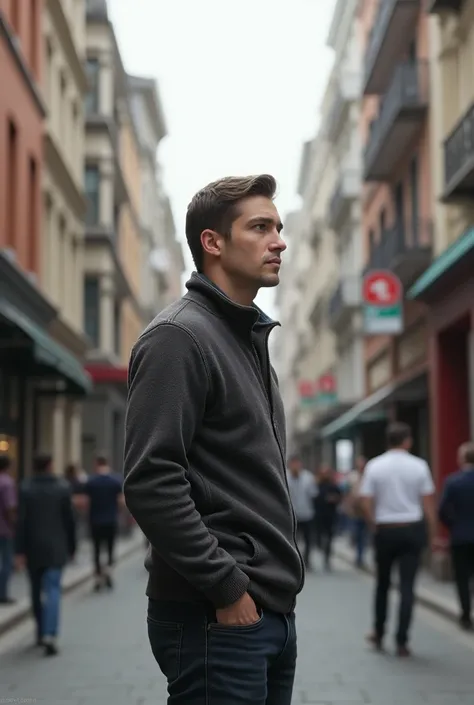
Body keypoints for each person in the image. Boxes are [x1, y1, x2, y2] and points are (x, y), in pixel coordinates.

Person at [124, 174, 303, 705]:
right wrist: (227, 588)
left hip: (266, 612)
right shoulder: (179, 337)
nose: (279, 241)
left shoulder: (246, 338)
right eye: (260, 227)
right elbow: (151, 479)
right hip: (216, 616)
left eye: (279, 227)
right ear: (213, 242)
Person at [359, 422, 436, 657]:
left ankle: (379, 632)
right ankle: (402, 641)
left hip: (386, 530)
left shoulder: (375, 466)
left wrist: (374, 523)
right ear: (407, 441)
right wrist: (431, 534)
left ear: (387, 441)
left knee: (382, 584)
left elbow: (365, 500)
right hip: (411, 529)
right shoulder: (419, 466)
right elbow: (428, 504)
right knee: (407, 587)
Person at [15, 454, 76, 656]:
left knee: (35, 591)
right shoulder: (62, 487)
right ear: (50, 465)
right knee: (53, 590)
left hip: (32, 549)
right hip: (56, 548)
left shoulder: (25, 488)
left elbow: (20, 522)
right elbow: (70, 521)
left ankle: (40, 631)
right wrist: (72, 547)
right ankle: (50, 634)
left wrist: (19, 551)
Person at [438, 441, 474, 631]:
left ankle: (466, 614)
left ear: (462, 459)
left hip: (460, 537)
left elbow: (442, 510)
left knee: (462, 577)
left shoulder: (453, 481)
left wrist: (453, 525)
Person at [82, 455, 124, 592]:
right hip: (111, 520)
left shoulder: (91, 482)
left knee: (97, 549)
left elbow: (85, 503)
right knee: (110, 548)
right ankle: (108, 571)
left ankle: (98, 577)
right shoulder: (115, 481)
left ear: (96, 464)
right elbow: (121, 502)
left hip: (95, 520)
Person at [287, 455, 316, 569]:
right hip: (292, 515)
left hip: (307, 513)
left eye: (297, 463)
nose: (295, 466)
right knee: (293, 540)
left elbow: (313, 494)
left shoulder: (308, 477)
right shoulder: (285, 476)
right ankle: (295, 562)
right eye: (293, 464)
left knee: (308, 540)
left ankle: (307, 561)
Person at [314, 465, 341, 571]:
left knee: (329, 537)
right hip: (318, 515)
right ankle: (320, 550)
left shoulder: (333, 486)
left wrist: (333, 499)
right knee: (319, 537)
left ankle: (327, 558)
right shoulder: (316, 485)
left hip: (330, 515)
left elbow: (339, 497)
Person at [0, 454, 17, 605]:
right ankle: (2, 594)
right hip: (4, 530)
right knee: (6, 562)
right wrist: (14, 524)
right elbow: (10, 507)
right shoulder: (7, 483)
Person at [346, 456, 368, 568]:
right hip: (355, 509)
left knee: (364, 534)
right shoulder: (352, 476)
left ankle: (361, 556)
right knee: (357, 533)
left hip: (366, 509)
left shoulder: (369, 476)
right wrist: (348, 506)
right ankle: (358, 556)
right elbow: (349, 493)